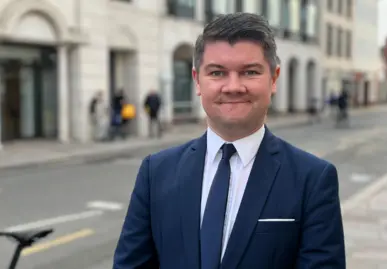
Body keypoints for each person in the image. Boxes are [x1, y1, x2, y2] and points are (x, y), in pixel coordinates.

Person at [113, 13, 345, 269]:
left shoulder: (312, 179)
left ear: (274, 78)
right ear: (197, 80)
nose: (233, 86)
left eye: (250, 72)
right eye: (217, 72)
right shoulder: (156, 172)